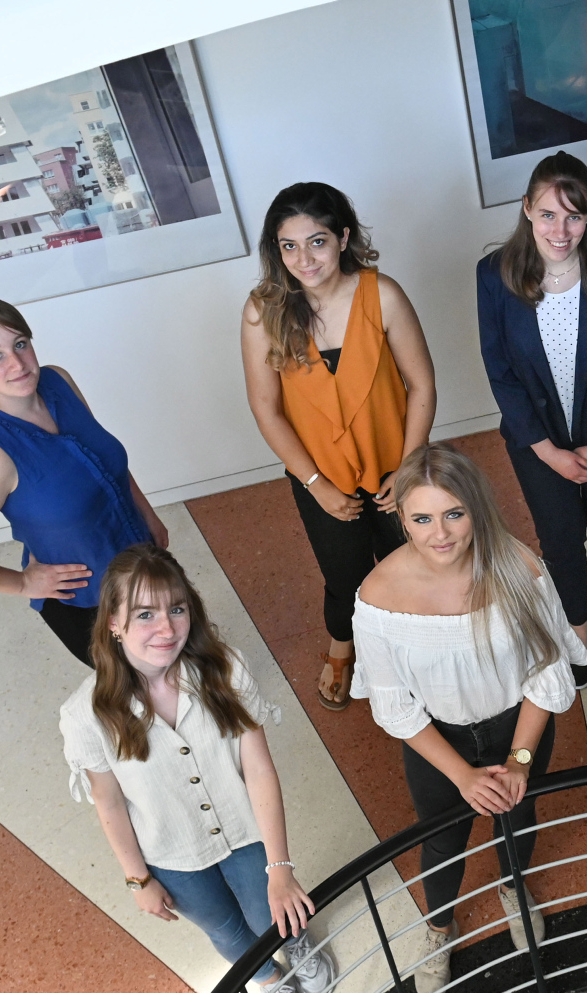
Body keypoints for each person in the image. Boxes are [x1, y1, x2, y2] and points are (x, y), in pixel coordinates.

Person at [59, 545, 335, 993]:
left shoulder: (224, 668)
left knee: (271, 913)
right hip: (172, 854)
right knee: (226, 931)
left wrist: (280, 867)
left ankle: (295, 943)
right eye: (145, 614)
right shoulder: (84, 714)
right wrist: (138, 879)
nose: (166, 627)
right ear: (113, 622)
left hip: (246, 832)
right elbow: (110, 804)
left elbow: (259, 768)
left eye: (177, 608)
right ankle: (269, 980)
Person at [350, 444, 587, 993]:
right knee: (441, 840)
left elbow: (546, 672)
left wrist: (519, 760)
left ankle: (512, 887)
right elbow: (396, 706)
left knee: (517, 815)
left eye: (454, 514)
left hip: (518, 726)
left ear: (475, 507)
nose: (440, 534)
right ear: (401, 517)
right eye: (422, 518)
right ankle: (439, 926)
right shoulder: (378, 596)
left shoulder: (519, 567)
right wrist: (461, 775)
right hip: (439, 742)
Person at [242, 182, 436, 712]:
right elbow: (267, 410)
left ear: (343, 238)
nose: (304, 259)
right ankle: (342, 645)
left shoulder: (383, 294)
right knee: (343, 574)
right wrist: (315, 485)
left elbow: (421, 384)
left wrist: (409, 467)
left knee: (410, 563)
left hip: (397, 466)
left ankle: (411, 649)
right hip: (319, 476)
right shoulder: (263, 311)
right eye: (289, 246)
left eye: (318, 242)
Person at [477, 151, 587, 689]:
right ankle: (578, 623)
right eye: (549, 214)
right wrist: (548, 452)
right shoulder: (494, 275)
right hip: (538, 443)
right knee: (559, 540)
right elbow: (500, 371)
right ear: (526, 209)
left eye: (574, 216)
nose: (561, 231)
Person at [0, 298, 168, 666]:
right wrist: (23, 583)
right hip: (90, 604)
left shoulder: (59, 381)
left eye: (20, 344)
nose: (17, 363)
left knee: (183, 661)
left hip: (146, 564)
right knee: (142, 685)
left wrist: (147, 515)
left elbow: (103, 461)